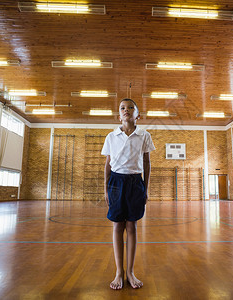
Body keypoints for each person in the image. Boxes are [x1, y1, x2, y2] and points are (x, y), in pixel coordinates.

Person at [101, 98, 155, 290]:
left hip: (135, 182)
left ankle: (130, 272)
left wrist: (146, 188)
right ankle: (119, 272)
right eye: (123, 108)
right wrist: (106, 188)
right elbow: (107, 164)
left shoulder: (144, 135)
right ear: (119, 115)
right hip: (116, 181)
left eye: (131, 108)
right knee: (117, 225)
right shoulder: (111, 136)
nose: (126, 110)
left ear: (137, 115)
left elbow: (147, 163)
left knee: (131, 226)